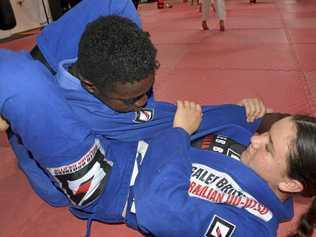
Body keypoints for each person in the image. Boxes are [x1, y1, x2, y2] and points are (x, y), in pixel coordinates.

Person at [1, 59, 315, 236]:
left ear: (290, 183)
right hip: (135, 139)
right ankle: (27, 141)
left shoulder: (249, 228)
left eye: (269, 146)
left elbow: (157, 210)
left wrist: (179, 134)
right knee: (98, 33)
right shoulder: (252, 148)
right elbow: (242, 122)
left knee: (20, 79)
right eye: (266, 134)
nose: (256, 139)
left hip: (107, 182)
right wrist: (252, 112)